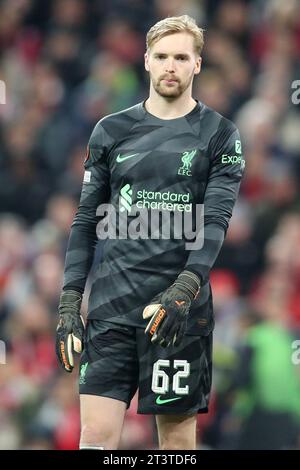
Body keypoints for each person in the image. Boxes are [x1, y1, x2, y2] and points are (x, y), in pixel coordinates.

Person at [55, 15, 245, 450]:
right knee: (95, 439)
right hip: (111, 309)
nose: (170, 66)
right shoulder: (111, 130)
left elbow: (214, 223)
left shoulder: (220, 135)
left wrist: (184, 288)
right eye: (161, 56)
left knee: (176, 444)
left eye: (181, 57)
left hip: (180, 314)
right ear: (145, 61)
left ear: (198, 64)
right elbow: (86, 221)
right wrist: (69, 301)